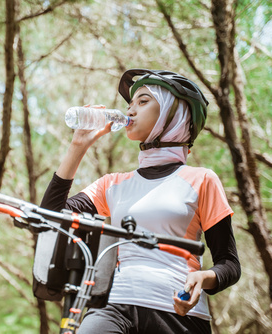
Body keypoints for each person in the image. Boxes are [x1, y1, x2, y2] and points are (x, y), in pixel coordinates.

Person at [40, 69, 241, 333]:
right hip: (113, 305)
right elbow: (50, 218)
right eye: (130, 104)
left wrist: (202, 278)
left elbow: (229, 263)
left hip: (177, 311)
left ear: (174, 113)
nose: (130, 110)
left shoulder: (202, 179)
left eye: (143, 101)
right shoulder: (112, 183)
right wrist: (77, 147)